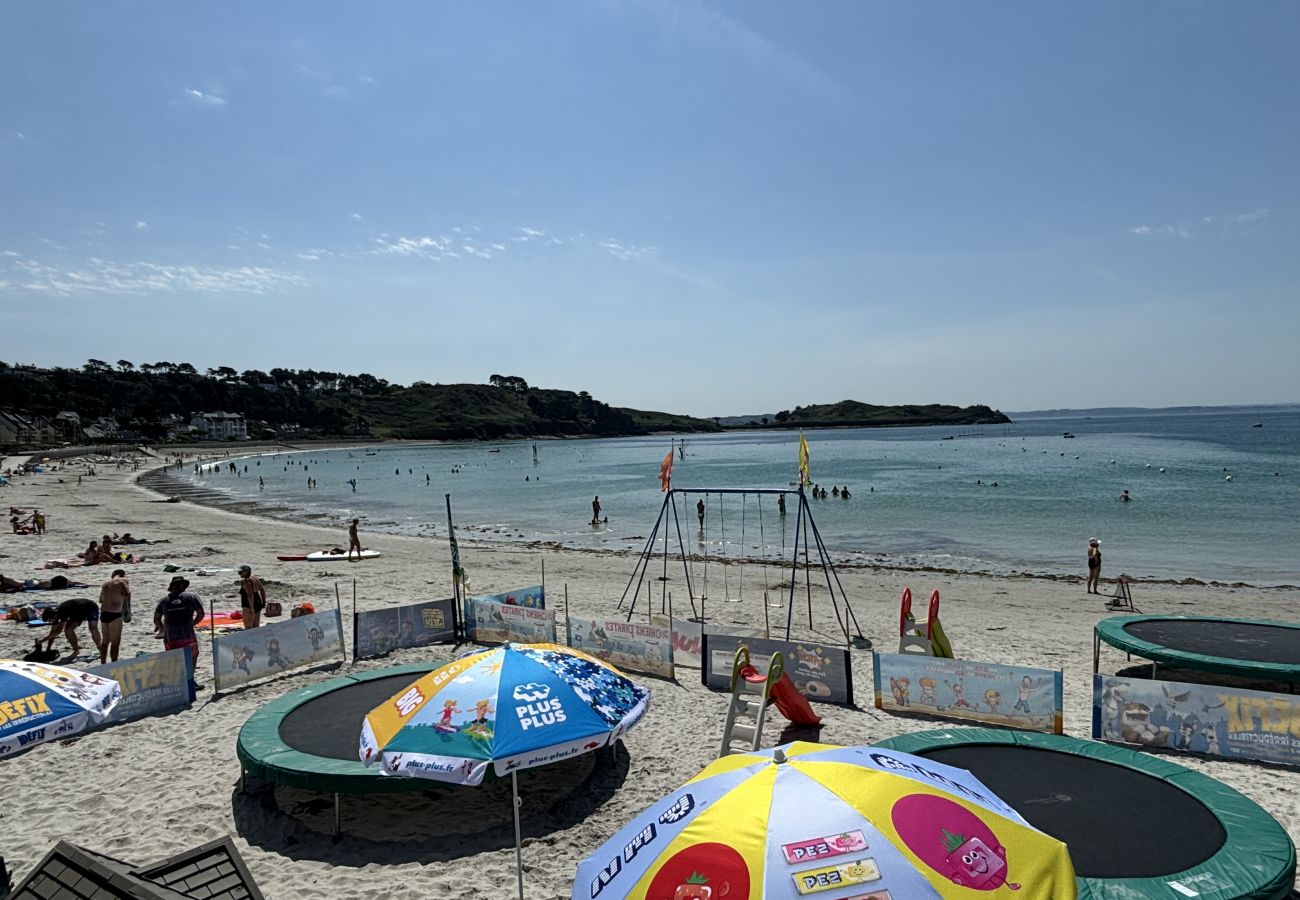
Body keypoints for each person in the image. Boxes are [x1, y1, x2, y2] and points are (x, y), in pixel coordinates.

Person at [154, 576, 205, 667]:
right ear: (183, 586)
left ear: (172, 587)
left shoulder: (164, 600)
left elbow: (156, 619)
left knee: (174, 662)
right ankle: (190, 678)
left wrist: (162, 629)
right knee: (192, 657)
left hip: (170, 637)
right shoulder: (192, 597)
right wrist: (193, 623)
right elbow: (200, 614)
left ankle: (179, 679)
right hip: (187, 635)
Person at [98, 569, 131, 663]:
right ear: (122, 575)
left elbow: (101, 600)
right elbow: (127, 593)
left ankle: (103, 662)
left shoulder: (105, 584)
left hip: (104, 613)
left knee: (105, 641)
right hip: (115, 613)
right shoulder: (123, 580)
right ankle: (114, 663)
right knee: (115, 642)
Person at [238, 564, 266, 629]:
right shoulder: (255, 578)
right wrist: (264, 601)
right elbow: (262, 590)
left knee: (248, 627)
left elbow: (250, 595)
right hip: (258, 601)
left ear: (246, 572)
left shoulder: (246, 582)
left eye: (240, 572)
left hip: (248, 604)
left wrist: (252, 609)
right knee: (256, 625)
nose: (239, 574)